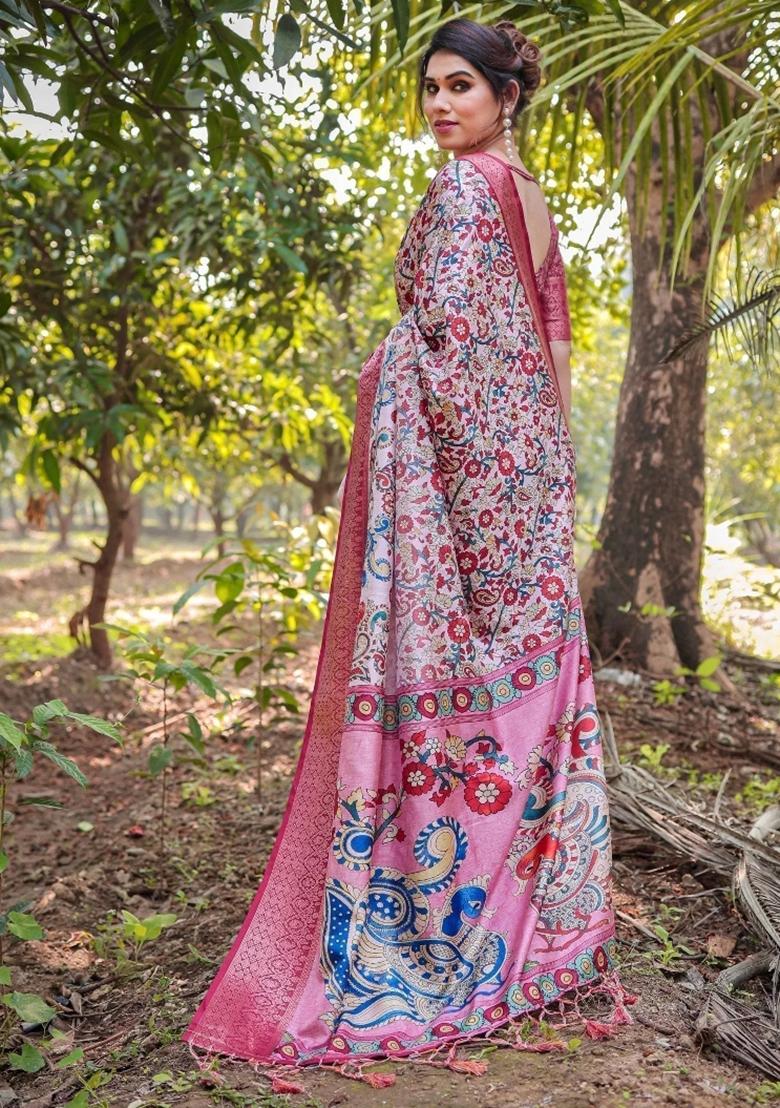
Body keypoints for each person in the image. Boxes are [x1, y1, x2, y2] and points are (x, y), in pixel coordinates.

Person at [183, 16, 636, 1081]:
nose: (441, 105)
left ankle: (436, 954)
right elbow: (551, 356)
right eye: (431, 88)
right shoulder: (533, 202)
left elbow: (447, 346)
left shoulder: (464, 193)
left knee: (446, 691)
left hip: (466, 490)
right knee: (526, 696)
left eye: (460, 87)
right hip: (524, 487)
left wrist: (392, 385)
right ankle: (541, 949)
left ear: (505, 95)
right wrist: (533, 493)